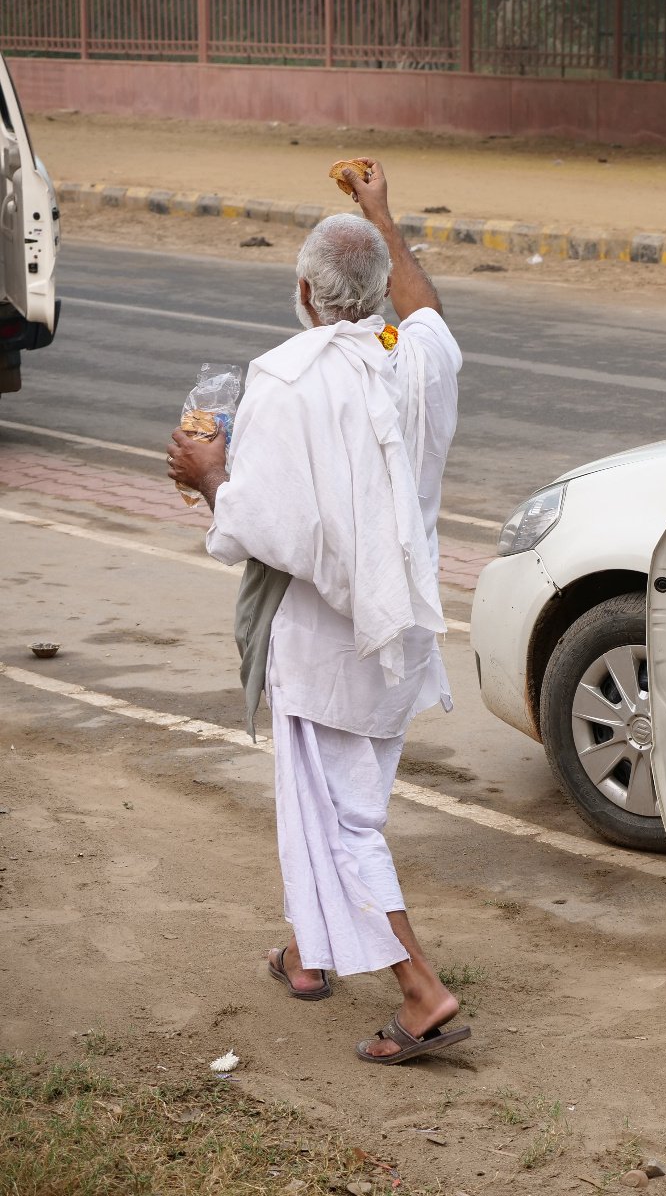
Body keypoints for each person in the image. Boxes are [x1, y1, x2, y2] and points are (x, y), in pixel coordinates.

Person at [166, 158, 470, 1066]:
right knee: (334, 803)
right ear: (379, 289)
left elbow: (262, 528)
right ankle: (308, 955)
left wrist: (208, 476)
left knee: (339, 821)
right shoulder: (418, 359)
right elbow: (427, 314)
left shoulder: (287, 378)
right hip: (402, 631)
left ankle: (422, 993)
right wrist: (382, 215)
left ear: (304, 291)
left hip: (332, 639)